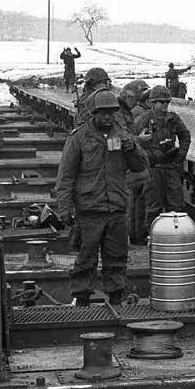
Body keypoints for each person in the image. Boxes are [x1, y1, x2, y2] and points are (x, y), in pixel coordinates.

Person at [55, 89, 147, 306]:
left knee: (117, 257)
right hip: (89, 210)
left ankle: (116, 299)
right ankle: (82, 301)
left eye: (111, 113)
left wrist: (132, 147)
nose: (108, 117)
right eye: (103, 113)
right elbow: (66, 175)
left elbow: (140, 166)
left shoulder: (122, 135)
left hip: (116, 208)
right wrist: (64, 208)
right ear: (94, 113)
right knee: (86, 258)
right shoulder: (79, 137)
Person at [136, 86, 191, 226]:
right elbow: (133, 141)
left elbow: (185, 135)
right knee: (153, 207)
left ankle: (174, 234)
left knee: (176, 206)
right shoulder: (143, 120)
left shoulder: (173, 119)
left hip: (170, 166)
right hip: (152, 169)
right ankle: (151, 234)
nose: (165, 105)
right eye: (162, 102)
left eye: (167, 102)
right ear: (153, 102)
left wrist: (180, 155)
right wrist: (143, 145)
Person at [117, 81, 152, 245]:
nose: (137, 103)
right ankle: (127, 239)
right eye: (135, 99)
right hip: (126, 165)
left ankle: (134, 237)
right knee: (129, 204)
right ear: (127, 96)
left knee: (135, 203)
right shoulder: (119, 112)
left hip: (133, 165)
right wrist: (140, 139)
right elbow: (121, 137)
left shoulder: (126, 111)